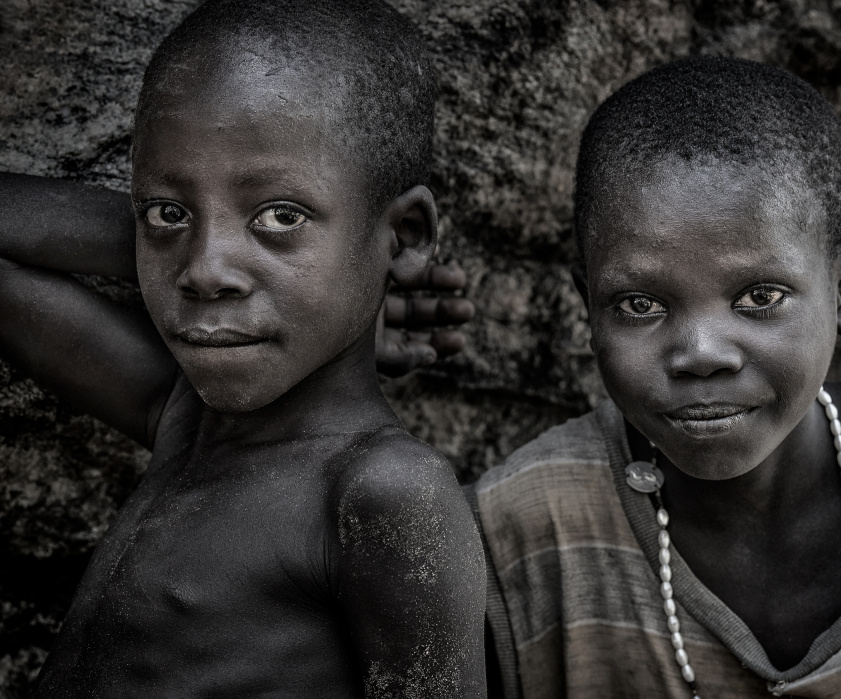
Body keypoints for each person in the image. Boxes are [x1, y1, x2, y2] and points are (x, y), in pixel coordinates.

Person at [470, 56, 841, 698]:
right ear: (588, 308)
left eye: (760, 296)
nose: (700, 353)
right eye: (640, 305)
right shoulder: (518, 532)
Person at [0, 0, 487, 695]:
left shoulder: (382, 490)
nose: (204, 270)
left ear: (405, 233)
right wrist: (157, 237)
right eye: (169, 211)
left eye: (279, 216)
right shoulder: (186, 419)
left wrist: (181, 234)